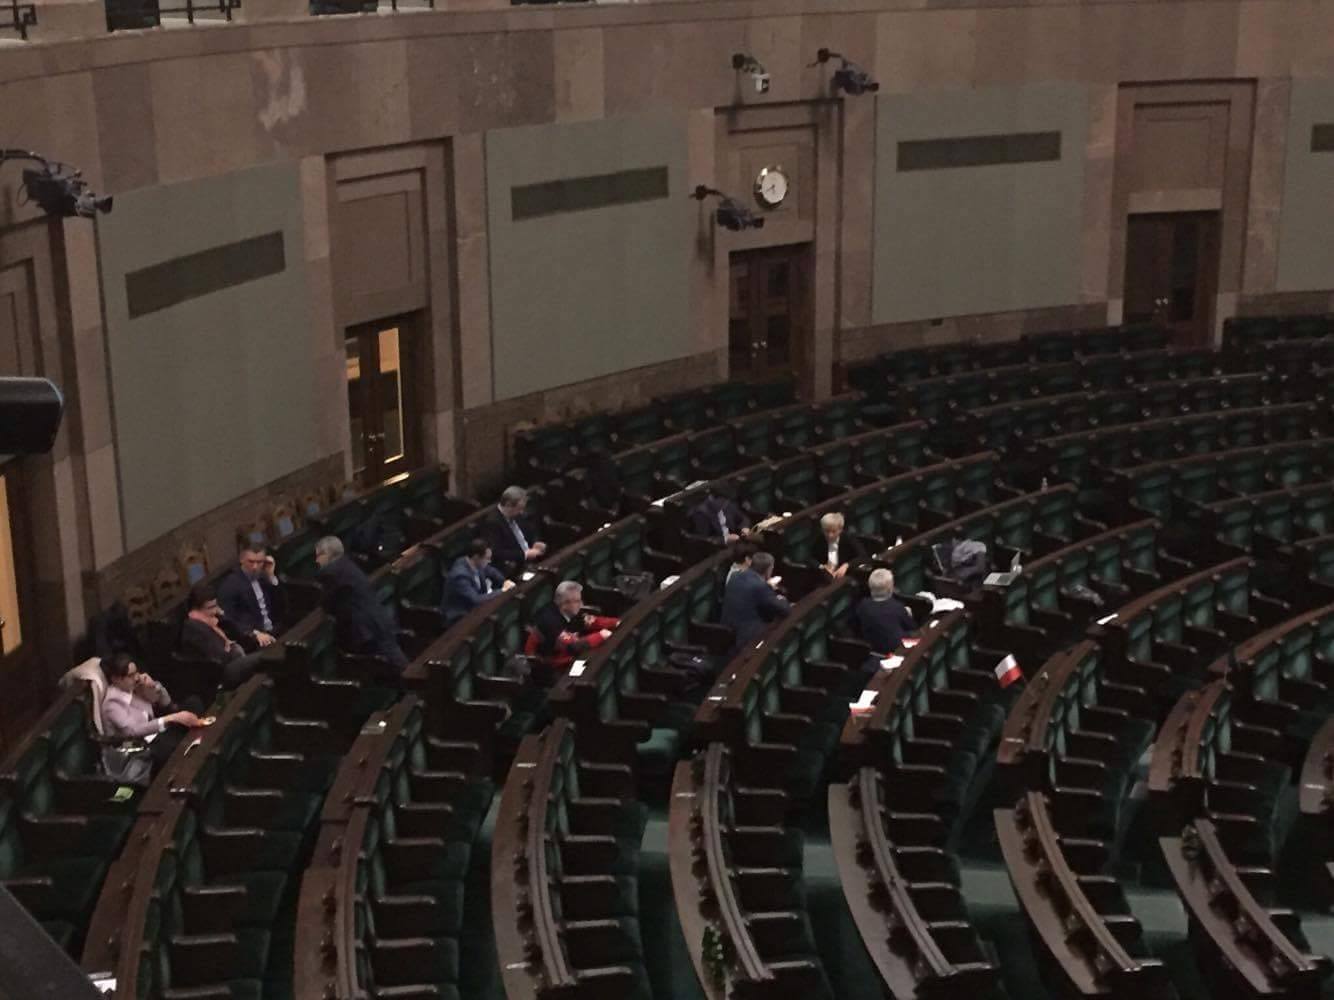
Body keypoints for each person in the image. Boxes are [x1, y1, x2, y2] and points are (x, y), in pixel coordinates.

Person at [101, 653, 203, 783]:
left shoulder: (135, 686)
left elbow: (167, 704)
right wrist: (171, 718)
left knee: (194, 702)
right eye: (130, 675)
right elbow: (133, 730)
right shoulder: (112, 704)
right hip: (142, 746)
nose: (136, 678)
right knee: (174, 743)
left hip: (157, 730)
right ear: (116, 679)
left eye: (136, 672)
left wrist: (154, 686)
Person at [315, 536, 408, 671]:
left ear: (328, 554)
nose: (316, 561)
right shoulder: (347, 563)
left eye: (318, 556)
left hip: (364, 628)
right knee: (396, 658)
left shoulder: (330, 572)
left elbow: (326, 602)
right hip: (378, 619)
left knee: (395, 664)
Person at [178, 583, 264, 689]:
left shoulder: (211, 619)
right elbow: (218, 656)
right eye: (210, 607)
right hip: (221, 673)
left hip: (233, 660)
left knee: (263, 646)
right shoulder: (193, 628)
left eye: (216, 606)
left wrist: (223, 616)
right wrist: (232, 647)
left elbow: (237, 633)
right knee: (261, 657)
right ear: (196, 609)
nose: (215, 611)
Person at [525, 580, 619, 672]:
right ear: (565, 604)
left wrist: (615, 622)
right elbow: (572, 646)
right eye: (578, 601)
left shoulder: (570, 610)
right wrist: (600, 636)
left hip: (567, 655)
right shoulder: (550, 621)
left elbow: (591, 621)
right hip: (549, 665)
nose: (581, 604)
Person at [216, 543, 285, 649]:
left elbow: (282, 604)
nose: (255, 567)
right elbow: (228, 618)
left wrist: (271, 576)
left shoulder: (264, 576)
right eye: (251, 562)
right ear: (241, 560)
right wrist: (253, 633)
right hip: (254, 637)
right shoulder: (230, 585)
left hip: (275, 629)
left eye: (259, 562)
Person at [720, 550, 790, 654]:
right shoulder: (760, 587)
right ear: (768, 570)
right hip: (746, 639)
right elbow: (784, 610)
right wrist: (782, 598)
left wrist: (767, 586)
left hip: (727, 632)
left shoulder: (735, 576)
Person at [442, 539, 514, 626]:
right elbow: (476, 600)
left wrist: (504, 581)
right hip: (460, 617)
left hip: (474, 609)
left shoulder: (474, 562)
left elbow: (491, 571)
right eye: (487, 558)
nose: (489, 561)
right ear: (476, 557)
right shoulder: (460, 577)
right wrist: (503, 590)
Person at [482, 486, 546, 578]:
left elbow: (531, 530)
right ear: (508, 505)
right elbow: (497, 552)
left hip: (531, 560)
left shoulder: (516, 514)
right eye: (519, 508)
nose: (521, 512)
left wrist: (536, 542)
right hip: (513, 568)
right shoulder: (492, 523)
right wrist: (525, 555)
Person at [855, 568, 918, 657]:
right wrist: (908, 614)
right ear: (891, 588)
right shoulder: (897, 607)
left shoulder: (863, 605)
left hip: (874, 648)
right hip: (897, 648)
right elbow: (912, 627)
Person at [820, 512, 866, 579]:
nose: (830, 535)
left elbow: (863, 557)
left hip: (846, 575)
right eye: (827, 531)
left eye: (834, 531)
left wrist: (847, 565)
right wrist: (822, 566)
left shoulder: (848, 538)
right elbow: (811, 558)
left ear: (840, 530)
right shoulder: (821, 539)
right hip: (827, 576)